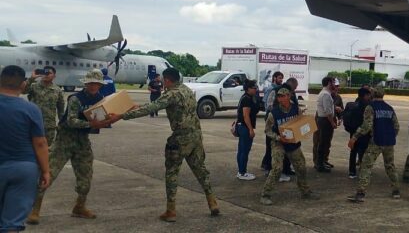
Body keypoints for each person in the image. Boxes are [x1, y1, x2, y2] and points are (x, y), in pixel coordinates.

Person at [108, 68, 220, 222]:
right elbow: (155, 105)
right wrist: (135, 107)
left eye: (163, 80)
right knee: (200, 170)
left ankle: (171, 211)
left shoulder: (171, 94)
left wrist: (122, 116)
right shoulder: (187, 90)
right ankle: (212, 202)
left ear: (167, 80)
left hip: (180, 139)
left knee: (172, 174)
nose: (161, 82)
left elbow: (152, 108)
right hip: (196, 137)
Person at [26, 69, 118, 225]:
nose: (93, 86)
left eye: (96, 84)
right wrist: (92, 123)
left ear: (100, 85)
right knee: (49, 172)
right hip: (65, 140)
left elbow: (99, 118)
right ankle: (35, 209)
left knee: (86, 176)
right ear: (86, 83)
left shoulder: (100, 99)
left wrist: (109, 119)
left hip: (82, 141)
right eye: (91, 83)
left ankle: (79, 207)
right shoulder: (76, 98)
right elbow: (71, 121)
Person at [0, 66, 50, 232]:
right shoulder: (31, 109)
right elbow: (40, 143)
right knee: (12, 223)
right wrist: (45, 171)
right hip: (23, 169)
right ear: (22, 85)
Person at [260, 88, 313, 205]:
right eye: (279, 96)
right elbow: (267, 130)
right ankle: (265, 194)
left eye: (284, 96)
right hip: (279, 143)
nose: (282, 98)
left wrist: (303, 131)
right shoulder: (273, 113)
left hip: (293, 143)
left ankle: (305, 191)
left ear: (289, 96)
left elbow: (301, 123)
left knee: (301, 167)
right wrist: (279, 138)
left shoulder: (295, 109)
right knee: (277, 168)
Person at [346, 86, 400, 203]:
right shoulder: (389, 108)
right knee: (390, 166)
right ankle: (396, 191)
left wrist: (354, 137)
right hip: (389, 142)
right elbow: (396, 127)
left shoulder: (371, 107)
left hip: (376, 141)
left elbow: (367, 126)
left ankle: (360, 193)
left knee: (366, 166)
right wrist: (390, 136)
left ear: (372, 95)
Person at [261, 72, 292, 182]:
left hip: (278, 123)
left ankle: (271, 169)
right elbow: (268, 105)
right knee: (272, 148)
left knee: (273, 149)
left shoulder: (277, 92)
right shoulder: (272, 91)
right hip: (274, 123)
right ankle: (272, 171)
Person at [23, 66, 65, 147]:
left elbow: (61, 109)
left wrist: (62, 124)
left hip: (49, 126)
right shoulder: (34, 86)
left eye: (49, 73)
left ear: (54, 76)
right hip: (33, 123)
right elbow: (23, 91)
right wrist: (31, 78)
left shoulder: (57, 90)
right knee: (30, 147)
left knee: (46, 149)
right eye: (44, 72)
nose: (46, 75)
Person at [343, 87, 372, 179]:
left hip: (353, 132)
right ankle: (363, 172)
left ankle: (352, 172)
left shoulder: (353, 104)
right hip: (363, 133)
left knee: (353, 151)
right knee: (363, 152)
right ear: (366, 95)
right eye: (368, 95)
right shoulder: (367, 106)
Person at [314, 77, 341, 172]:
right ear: (329, 83)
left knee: (325, 143)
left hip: (324, 120)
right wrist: (332, 122)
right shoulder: (325, 94)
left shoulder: (326, 93)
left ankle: (322, 162)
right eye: (333, 82)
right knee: (323, 143)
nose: (335, 84)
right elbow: (327, 111)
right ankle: (320, 165)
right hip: (325, 121)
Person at [235, 80, 259, 181]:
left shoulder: (246, 97)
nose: (256, 89)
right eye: (254, 87)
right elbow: (246, 115)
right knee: (244, 150)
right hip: (245, 127)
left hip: (242, 126)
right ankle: (242, 172)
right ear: (248, 89)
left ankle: (241, 170)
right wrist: (250, 130)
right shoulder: (247, 99)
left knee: (241, 150)